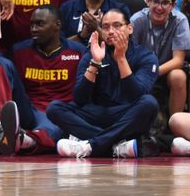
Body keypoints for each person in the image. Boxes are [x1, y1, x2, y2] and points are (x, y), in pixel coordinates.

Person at [48, 9, 159, 158]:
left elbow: (136, 94)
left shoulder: (146, 57)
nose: (111, 31)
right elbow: (80, 98)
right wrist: (95, 64)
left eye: (117, 25)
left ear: (130, 28)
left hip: (126, 115)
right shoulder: (93, 53)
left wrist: (121, 59)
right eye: (106, 27)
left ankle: (90, 145)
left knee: (149, 104)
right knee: (54, 108)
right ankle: (115, 146)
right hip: (97, 113)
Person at [0, 6, 85, 155]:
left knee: (53, 125)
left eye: (40, 24)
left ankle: (25, 140)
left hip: (58, 111)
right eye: (32, 24)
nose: (34, 29)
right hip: (27, 108)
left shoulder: (78, 52)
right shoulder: (19, 50)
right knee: (2, 64)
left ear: (57, 25)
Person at [130, 0, 190, 119]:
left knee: (178, 76)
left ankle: (175, 126)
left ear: (173, 5)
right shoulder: (136, 20)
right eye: (155, 1)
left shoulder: (180, 21)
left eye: (165, 3)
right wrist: (145, 73)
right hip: (141, 70)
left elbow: (178, 60)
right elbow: (130, 57)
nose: (159, 7)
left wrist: (153, 72)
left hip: (167, 70)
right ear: (147, 1)